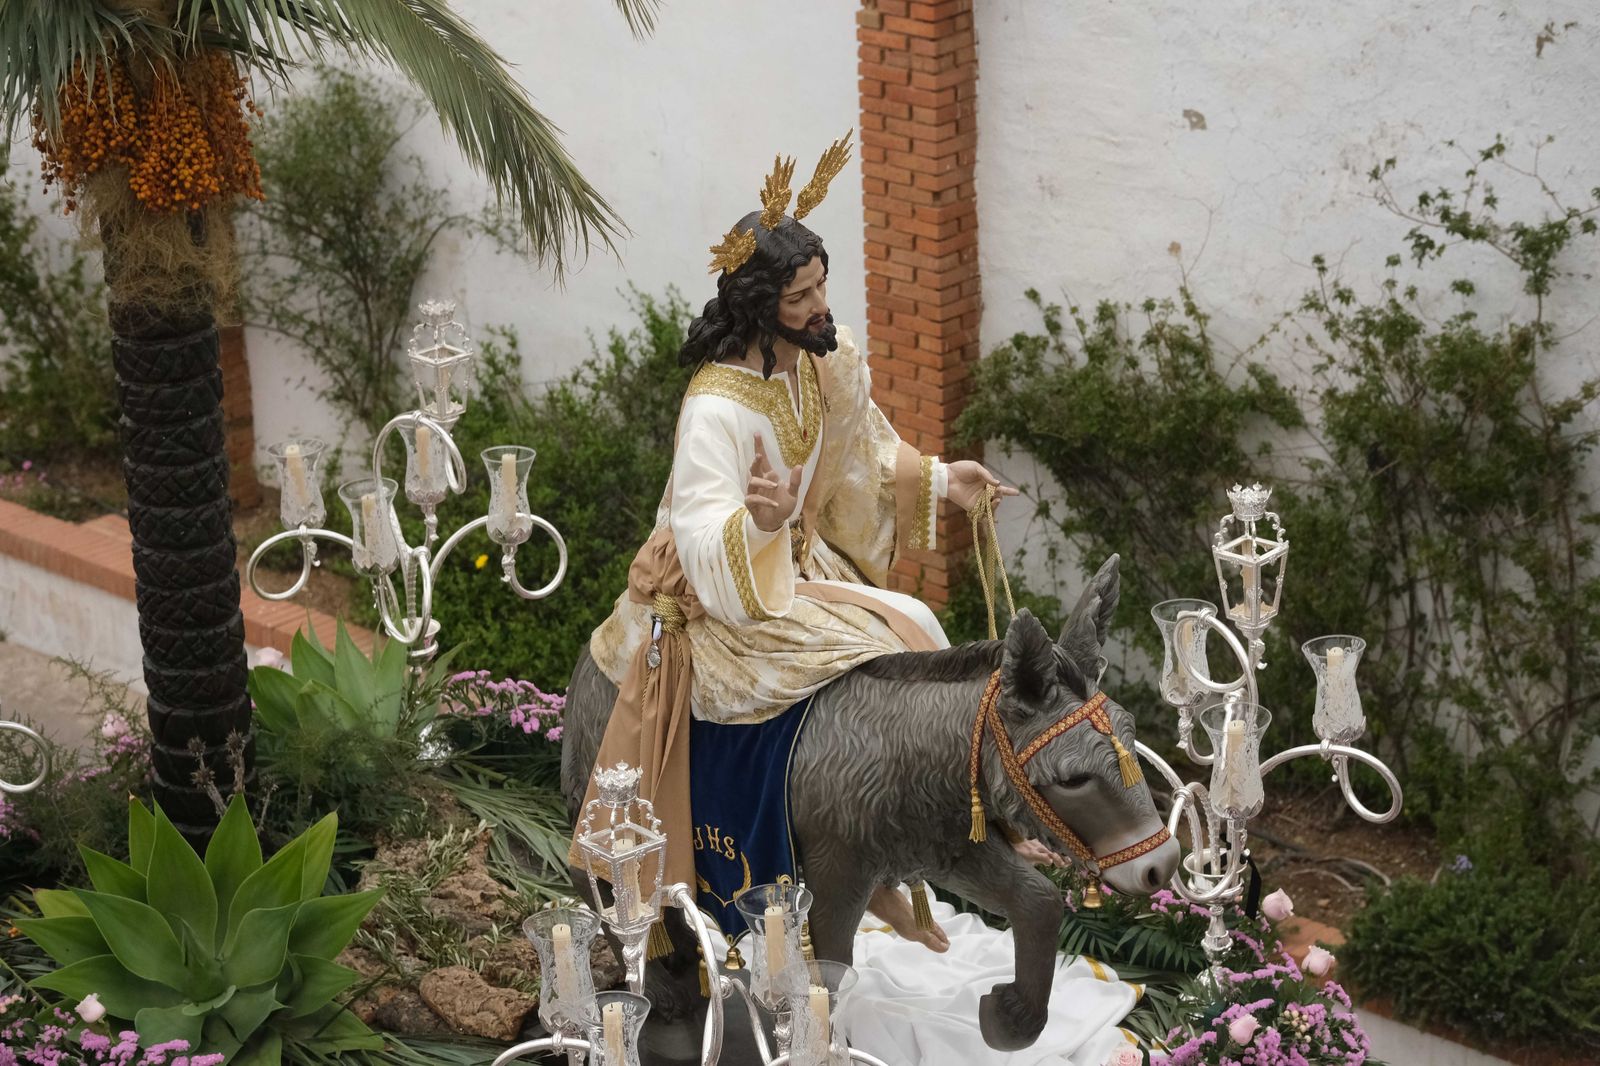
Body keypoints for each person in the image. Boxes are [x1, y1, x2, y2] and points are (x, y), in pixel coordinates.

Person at [583, 135, 1056, 952]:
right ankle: (844, 866)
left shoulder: (818, 363)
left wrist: (946, 482)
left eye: (821, 284)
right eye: (801, 293)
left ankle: (928, 846)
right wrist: (759, 526)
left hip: (797, 566)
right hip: (720, 601)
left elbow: (864, 452)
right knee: (854, 677)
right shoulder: (714, 410)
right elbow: (699, 534)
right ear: (761, 301)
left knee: (916, 623)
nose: (820, 303)